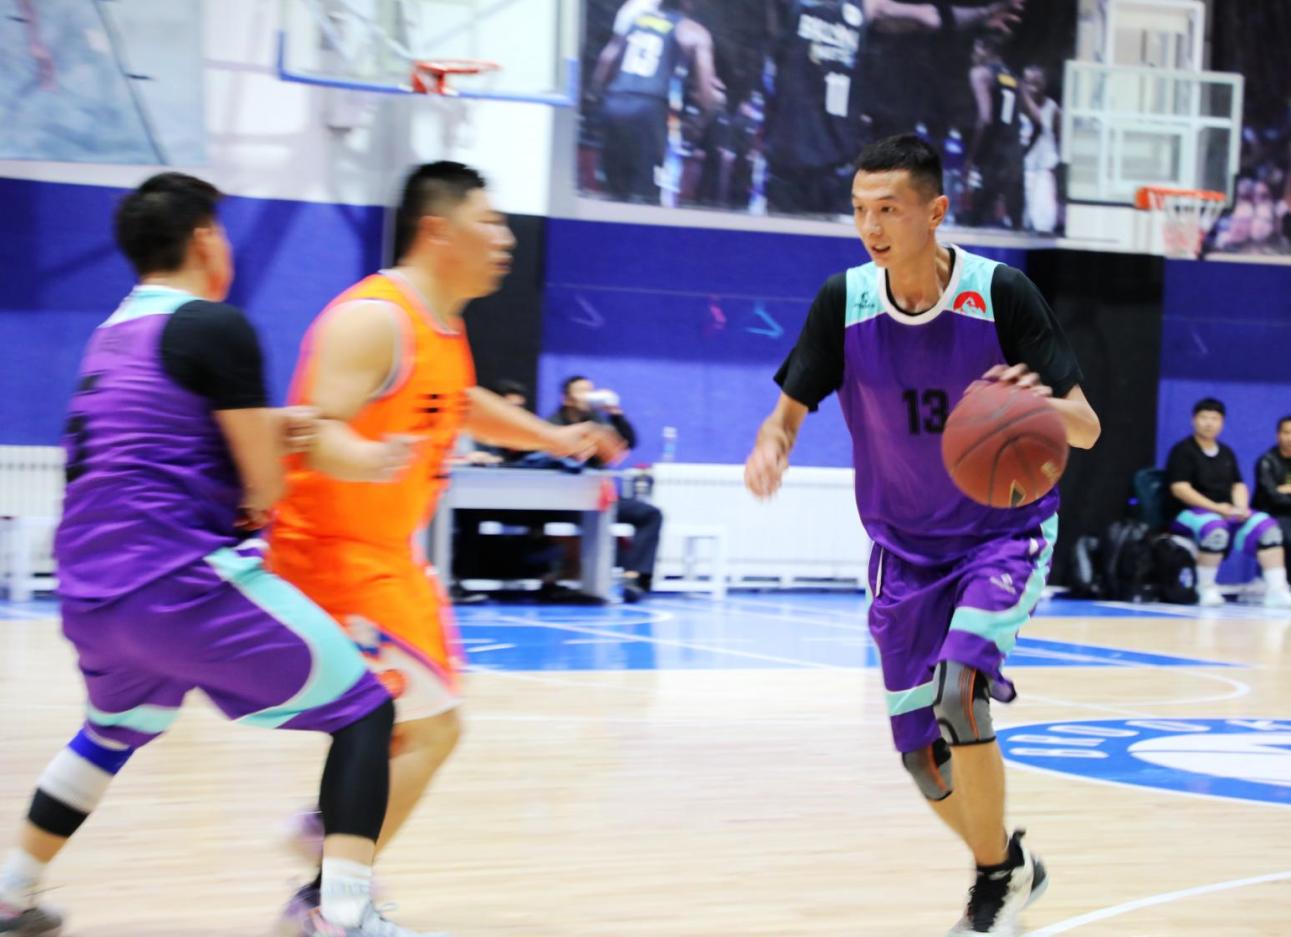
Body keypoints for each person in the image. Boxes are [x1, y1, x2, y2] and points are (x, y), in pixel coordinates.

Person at [0, 173, 429, 937]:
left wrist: (270, 427)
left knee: (109, 734)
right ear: (204, 238)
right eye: (221, 231)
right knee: (367, 710)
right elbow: (263, 486)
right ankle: (343, 914)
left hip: (90, 591)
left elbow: (164, 436)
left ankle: (11, 891)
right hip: (176, 582)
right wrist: (286, 459)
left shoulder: (113, 333)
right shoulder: (215, 324)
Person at [745, 134, 1101, 936]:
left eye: (888, 209)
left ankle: (991, 887)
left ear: (935, 211)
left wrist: (1028, 407)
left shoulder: (1000, 294)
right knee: (919, 752)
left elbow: (1085, 426)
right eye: (859, 210)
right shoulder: (843, 301)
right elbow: (786, 411)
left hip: (1001, 535)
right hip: (904, 551)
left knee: (959, 689)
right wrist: (773, 444)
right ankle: (1005, 865)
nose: (871, 227)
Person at [266, 162, 624, 927]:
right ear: (437, 230)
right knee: (431, 727)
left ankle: (332, 839)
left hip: (386, 557)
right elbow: (310, 428)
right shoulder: (374, 317)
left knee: (418, 727)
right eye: (487, 221)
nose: (504, 237)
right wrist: (364, 456)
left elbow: (457, 403)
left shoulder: (441, 324)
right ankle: (330, 900)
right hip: (330, 556)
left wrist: (554, 437)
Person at [762, 0, 1025, 216]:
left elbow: (930, 17)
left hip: (837, 164)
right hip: (789, 161)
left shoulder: (862, 7)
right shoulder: (793, 6)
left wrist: (984, 13)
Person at [591, 0, 724, 203]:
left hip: (615, 101)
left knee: (613, 191)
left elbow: (606, 60)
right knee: (644, 195)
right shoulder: (693, 31)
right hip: (648, 107)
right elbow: (706, 92)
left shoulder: (636, 19)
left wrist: (595, 97)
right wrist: (706, 114)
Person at [1166, 399, 1291, 608]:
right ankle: (1205, 588)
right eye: (1204, 417)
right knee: (1215, 530)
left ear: (1222, 422)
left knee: (1269, 529)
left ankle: (1277, 590)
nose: (1209, 423)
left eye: (1214, 418)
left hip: (1227, 512)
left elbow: (1238, 485)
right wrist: (1216, 508)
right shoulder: (1183, 451)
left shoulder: (1226, 452)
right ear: (1193, 420)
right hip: (1189, 514)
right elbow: (1180, 488)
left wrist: (1240, 508)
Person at [552, 376, 663, 603]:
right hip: (564, 499)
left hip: (600, 497)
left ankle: (633, 578)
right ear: (567, 399)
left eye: (590, 390)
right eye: (581, 391)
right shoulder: (554, 424)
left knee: (650, 514)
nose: (588, 395)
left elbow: (628, 442)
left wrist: (615, 414)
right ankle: (558, 577)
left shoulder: (598, 421)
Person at [965, 35, 1025, 229]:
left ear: (987, 51)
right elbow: (1036, 118)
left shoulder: (980, 74)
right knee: (1016, 221)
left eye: (976, 50)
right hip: (1014, 149)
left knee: (976, 215)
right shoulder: (1014, 78)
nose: (973, 55)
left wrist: (973, 154)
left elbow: (985, 118)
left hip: (992, 150)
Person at [1018, 64, 1061, 234]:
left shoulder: (1052, 108)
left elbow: (1058, 137)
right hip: (1025, 166)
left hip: (1044, 166)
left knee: (1044, 213)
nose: (1033, 87)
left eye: (1037, 82)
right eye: (1029, 82)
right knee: (1024, 215)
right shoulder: (1019, 107)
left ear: (1044, 84)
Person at [1253, 415, 1291, 578]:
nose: (1290, 438)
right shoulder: (1266, 461)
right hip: (1271, 512)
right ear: (1278, 435)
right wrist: (1280, 491)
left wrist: (1285, 489)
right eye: (1286, 432)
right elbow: (1273, 496)